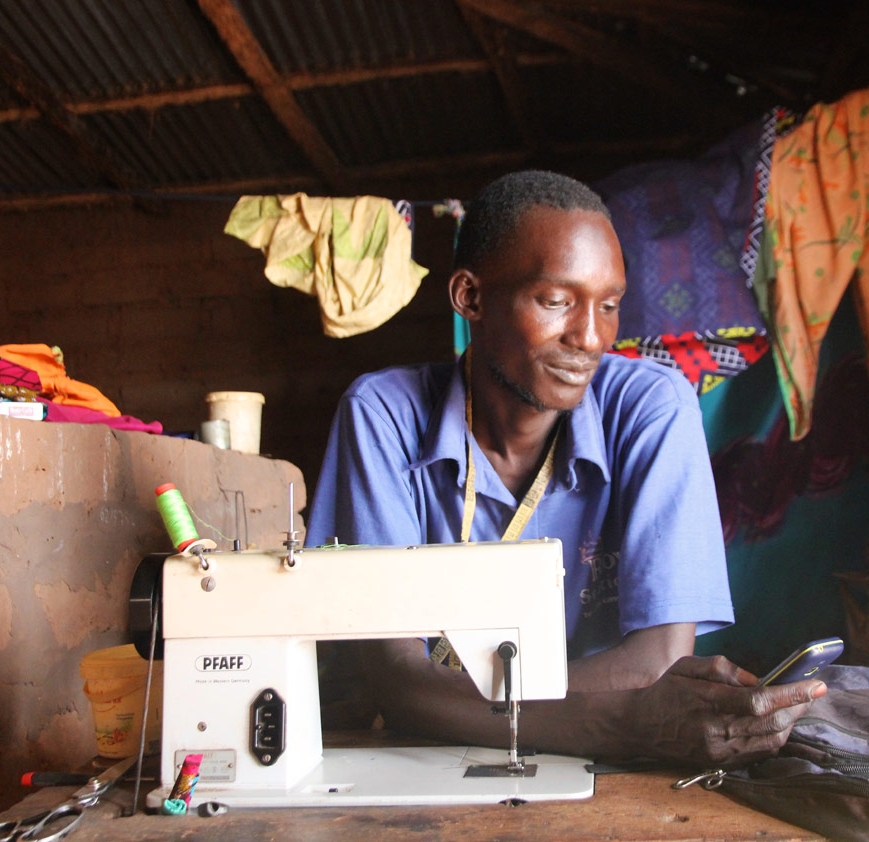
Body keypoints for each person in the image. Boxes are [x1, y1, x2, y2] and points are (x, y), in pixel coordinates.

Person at [307, 169, 824, 767]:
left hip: (592, 768)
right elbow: (393, 681)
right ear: (470, 297)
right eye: (556, 302)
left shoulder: (651, 409)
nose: (590, 337)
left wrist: (445, 701)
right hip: (459, 758)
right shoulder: (383, 417)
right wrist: (613, 721)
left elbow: (657, 662)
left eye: (608, 306)